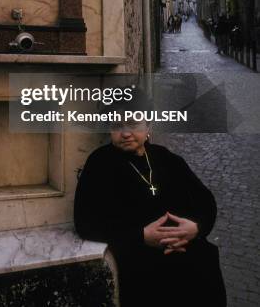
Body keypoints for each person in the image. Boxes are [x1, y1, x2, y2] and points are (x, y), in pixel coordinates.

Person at [74, 100, 227, 307]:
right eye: (117, 126)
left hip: (189, 256)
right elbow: (85, 222)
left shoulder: (166, 158)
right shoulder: (100, 163)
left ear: (148, 127)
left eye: (133, 124)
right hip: (142, 264)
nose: (125, 133)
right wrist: (141, 236)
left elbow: (205, 201)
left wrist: (196, 228)